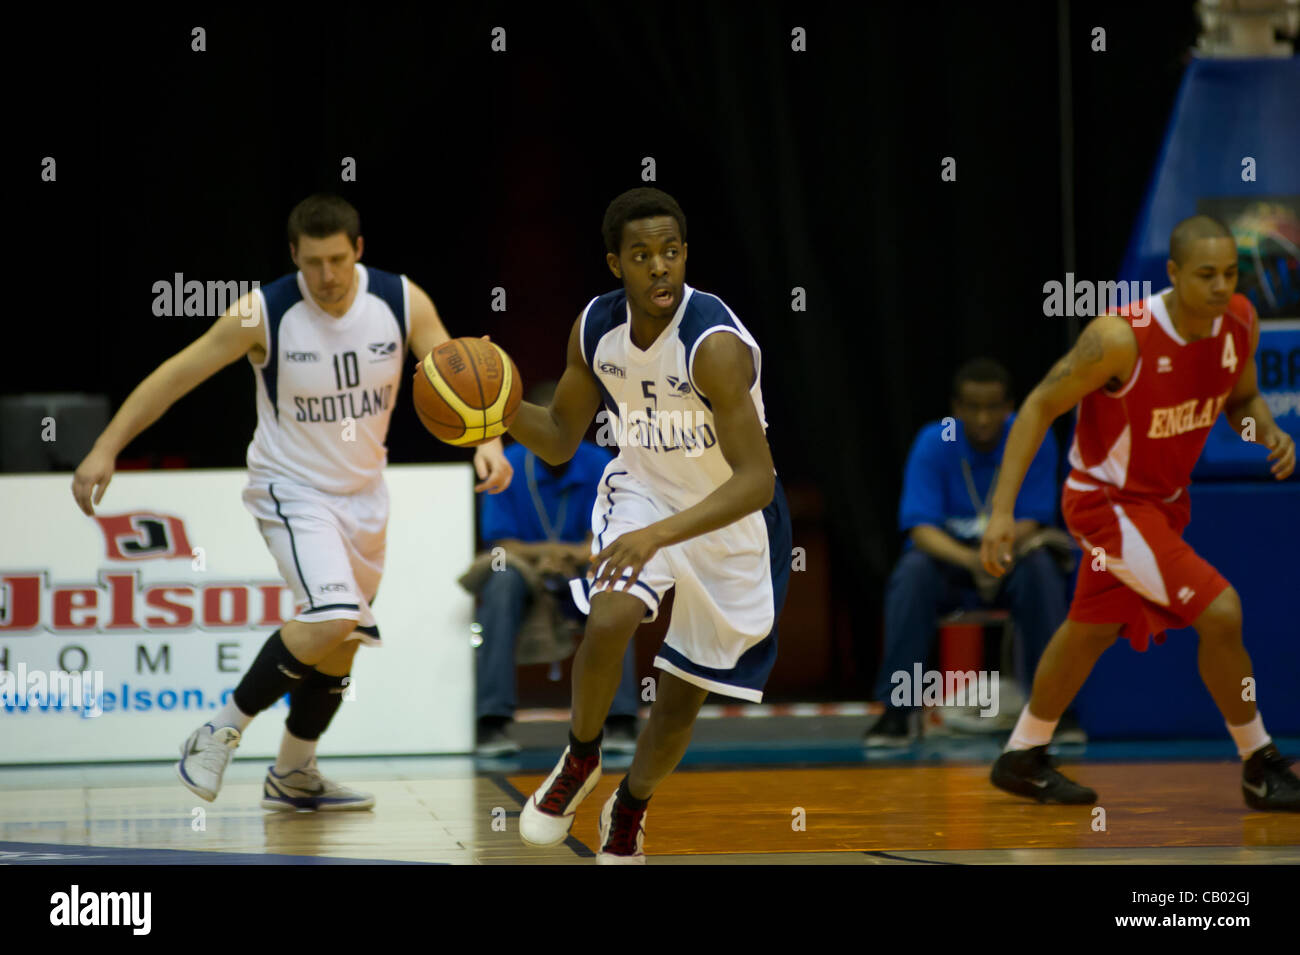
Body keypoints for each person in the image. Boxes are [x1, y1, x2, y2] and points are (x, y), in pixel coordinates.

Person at [70, 194, 512, 810]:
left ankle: (293, 773)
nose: (326, 277)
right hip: (291, 488)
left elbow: (451, 370)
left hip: (365, 492)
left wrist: (487, 440)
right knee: (332, 614)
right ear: (293, 257)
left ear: (358, 249)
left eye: (336, 259)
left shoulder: (401, 299)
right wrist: (105, 447)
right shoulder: (263, 312)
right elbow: (176, 374)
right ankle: (214, 733)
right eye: (312, 263)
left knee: (344, 638)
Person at [504, 187, 791, 863]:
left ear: (686, 254)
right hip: (644, 492)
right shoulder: (593, 329)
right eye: (642, 255)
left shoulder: (713, 346)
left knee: (680, 703)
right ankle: (580, 759)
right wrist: (496, 400)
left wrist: (663, 536)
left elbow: (758, 481)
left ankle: (629, 806)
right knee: (608, 619)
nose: (660, 267)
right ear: (615, 264)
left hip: (731, 515)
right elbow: (556, 438)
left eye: (671, 252)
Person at [980, 215, 1298, 810]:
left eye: (1230, 273)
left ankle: (1022, 754)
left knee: (1091, 629)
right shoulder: (1121, 338)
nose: (1220, 286)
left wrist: (1268, 433)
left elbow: (1242, 402)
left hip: (1164, 504)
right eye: (1205, 274)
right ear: (1173, 273)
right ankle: (1261, 762)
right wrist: (1002, 511)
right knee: (1222, 612)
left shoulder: (1240, 324)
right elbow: (1037, 407)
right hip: (1106, 505)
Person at [867, 358, 1078, 746]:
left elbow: (1034, 518)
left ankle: (1054, 709)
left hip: (1010, 555)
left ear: (1009, 407)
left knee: (1043, 572)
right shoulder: (936, 440)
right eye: (973, 408)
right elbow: (920, 528)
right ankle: (897, 712)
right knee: (911, 575)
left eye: (993, 407)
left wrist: (994, 554)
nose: (983, 418)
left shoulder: (1032, 435)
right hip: (952, 562)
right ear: (956, 409)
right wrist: (970, 560)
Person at [472, 381, 641, 757]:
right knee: (501, 583)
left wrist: (566, 556)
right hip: (526, 575)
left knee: (620, 591)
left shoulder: (601, 463)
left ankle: (621, 720)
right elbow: (501, 546)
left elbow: (610, 537)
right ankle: (491, 722)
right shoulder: (510, 462)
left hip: (583, 571)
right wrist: (551, 555)